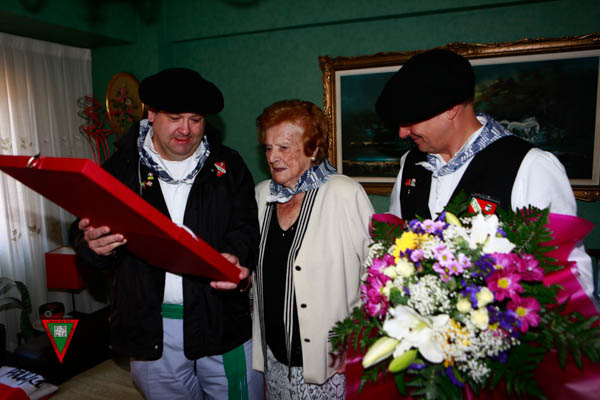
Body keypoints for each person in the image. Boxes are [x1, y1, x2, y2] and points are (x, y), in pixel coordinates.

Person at [69, 68, 263, 399]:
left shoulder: (228, 165)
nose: (186, 129)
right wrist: (92, 244)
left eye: (195, 119)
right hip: (150, 327)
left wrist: (236, 255)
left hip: (220, 320)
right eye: (175, 118)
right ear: (151, 114)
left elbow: (246, 226)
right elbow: (82, 230)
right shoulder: (120, 169)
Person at [375, 48, 596, 301]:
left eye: (410, 120)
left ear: (451, 108)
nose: (402, 133)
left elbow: (568, 277)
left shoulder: (531, 166)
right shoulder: (410, 163)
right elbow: (396, 243)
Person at [251, 100, 373, 398]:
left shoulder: (344, 193)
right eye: (268, 148)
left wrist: (355, 340)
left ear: (313, 148)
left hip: (328, 362)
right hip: (274, 358)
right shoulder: (261, 195)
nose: (273, 157)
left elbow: (377, 274)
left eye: (284, 147)